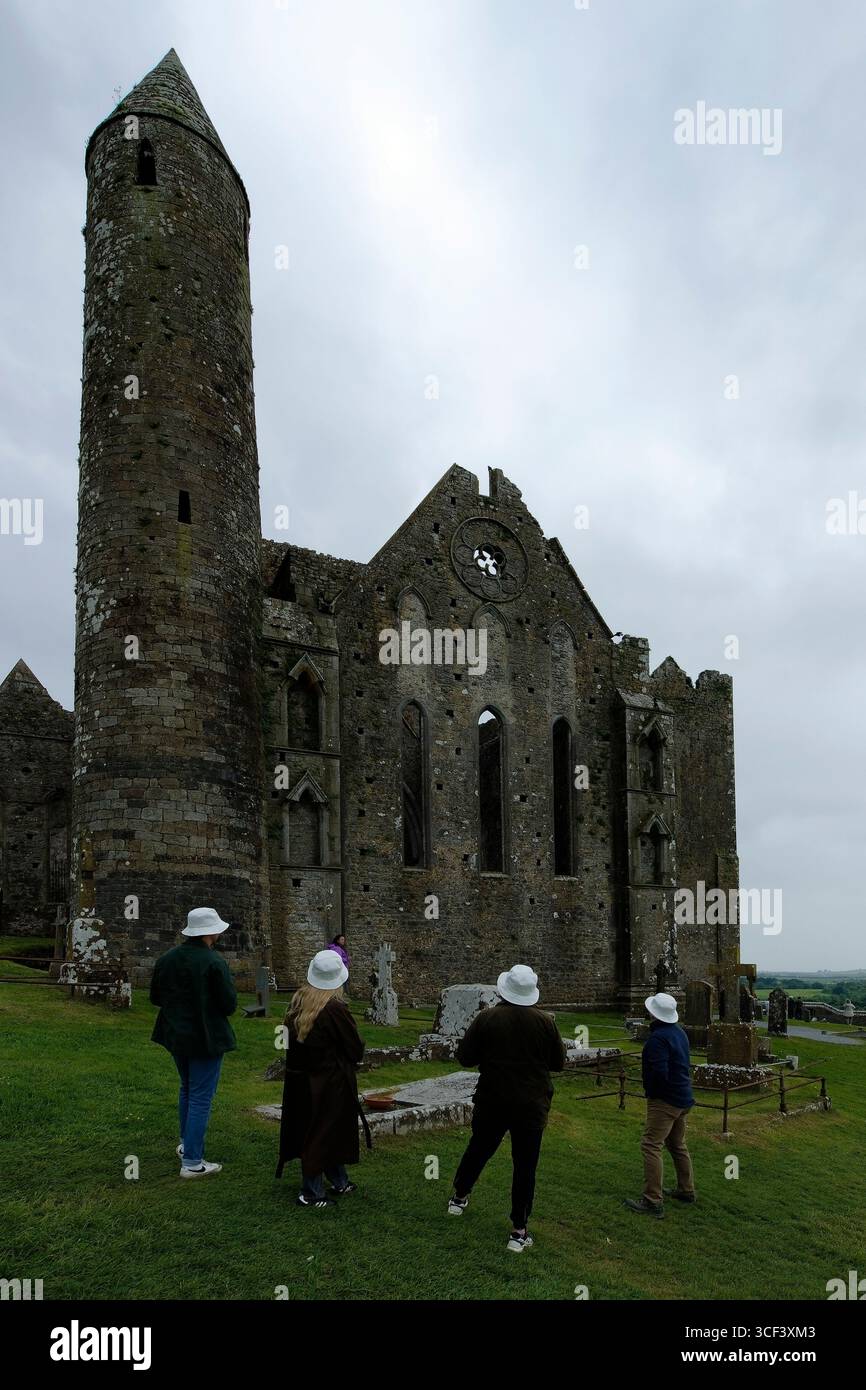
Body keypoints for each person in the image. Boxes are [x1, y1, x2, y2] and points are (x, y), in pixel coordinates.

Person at [447, 963, 566, 1252]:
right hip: (531, 1103)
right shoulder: (545, 1021)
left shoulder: (487, 1018)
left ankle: (459, 1197)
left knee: (479, 1147)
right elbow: (557, 1063)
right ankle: (518, 1230)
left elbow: (465, 1057)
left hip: (493, 1098)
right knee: (525, 1164)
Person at [150, 906, 238, 1179]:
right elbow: (229, 1004)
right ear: (211, 932)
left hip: (176, 1033)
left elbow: (155, 997)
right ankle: (192, 1162)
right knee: (201, 1096)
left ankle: (187, 1144)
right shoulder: (213, 962)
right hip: (205, 1036)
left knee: (187, 1088)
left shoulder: (167, 958)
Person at [275, 948, 365, 1207]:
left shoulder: (298, 1002)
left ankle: (338, 1179)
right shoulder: (334, 1009)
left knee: (324, 1130)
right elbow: (354, 1048)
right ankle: (311, 1191)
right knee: (321, 1132)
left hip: (301, 1080)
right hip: (329, 1083)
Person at [624, 991, 696, 1219]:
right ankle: (686, 1190)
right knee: (677, 1144)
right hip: (683, 1096)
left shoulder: (657, 1039)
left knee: (651, 1144)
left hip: (666, 1100)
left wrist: (653, 1094)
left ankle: (652, 1200)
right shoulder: (679, 1033)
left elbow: (659, 1073)